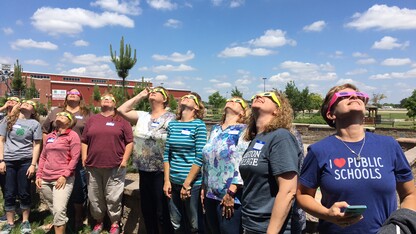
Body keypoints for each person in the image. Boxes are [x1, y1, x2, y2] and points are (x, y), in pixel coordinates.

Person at [296, 83, 416, 233]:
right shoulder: (319, 150)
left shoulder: (389, 146)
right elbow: (303, 195)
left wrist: (397, 227)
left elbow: (410, 194)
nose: (354, 97)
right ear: (331, 114)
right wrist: (327, 214)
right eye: (344, 96)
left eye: (359, 96)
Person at [239, 91, 303, 234]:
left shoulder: (281, 137)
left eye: (268, 95)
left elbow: (288, 191)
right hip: (251, 224)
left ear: (277, 110)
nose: (259, 96)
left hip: (270, 228)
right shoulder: (257, 139)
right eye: (256, 95)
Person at [117, 86, 175, 234]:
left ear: (165, 99)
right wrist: (141, 95)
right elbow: (121, 110)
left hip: (162, 170)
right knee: (147, 210)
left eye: (159, 91)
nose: (153, 92)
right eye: (152, 90)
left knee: (162, 212)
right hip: (144, 169)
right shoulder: (143, 116)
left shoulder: (172, 118)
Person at [81, 93, 133, 234]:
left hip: (115, 165)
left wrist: (125, 160)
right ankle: (99, 222)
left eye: (110, 99)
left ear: (115, 104)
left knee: (113, 196)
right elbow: (84, 140)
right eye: (104, 98)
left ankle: (115, 223)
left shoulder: (121, 120)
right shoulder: (92, 120)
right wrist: (84, 157)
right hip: (93, 165)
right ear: (100, 103)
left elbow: (129, 142)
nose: (106, 100)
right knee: (95, 196)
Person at [42, 88, 91, 231]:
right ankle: (59, 219)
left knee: (78, 189)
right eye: (70, 93)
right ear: (66, 96)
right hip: (55, 159)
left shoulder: (86, 114)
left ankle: (78, 218)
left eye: (76, 93)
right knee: (54, 191)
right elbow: (45, 131)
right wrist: (48, 148)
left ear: (80, 97)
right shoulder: (55, 112)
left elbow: (90, 136)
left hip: (76, 159)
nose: (73, 95)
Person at [201, 97, 249, 234]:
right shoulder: (215, 129)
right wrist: (204, 187)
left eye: (238, 101)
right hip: (211, 193)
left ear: (243, 112)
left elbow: (242, 160)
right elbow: (208, 159)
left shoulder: (244, 130)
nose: (231, 100)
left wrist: (231, 192)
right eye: (230, 99)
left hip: (230, 196)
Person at [163, 92, 207, 233]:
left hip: (191, 184)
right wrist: (166, 181)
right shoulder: (173, 125)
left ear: (196, 107)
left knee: (194, 224)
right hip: (173, 181)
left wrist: (187, 184)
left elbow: (200, 156)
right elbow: (166, 154)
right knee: (176, 221)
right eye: (184, 96)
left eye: (191, 98)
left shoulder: (198, 125)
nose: (186, 97)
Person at [0, 100, 42, 234]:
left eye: (30, 103)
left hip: (25, 161)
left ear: (34, 111)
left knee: (24, 192)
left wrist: (33, 164)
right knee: (9, 192)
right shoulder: (8, 120)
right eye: (25, 102)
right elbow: (1, 141)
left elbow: (36, 145)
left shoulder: (35, 124)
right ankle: (10, 223)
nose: (26, 103)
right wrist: (1, 160)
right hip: (9, 161)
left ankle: (25, 221)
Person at [36, 111, 80, 234]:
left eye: (64, 115)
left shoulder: (73, 135)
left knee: (59, 209)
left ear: (70, 121)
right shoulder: (50, 136)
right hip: (45, 178)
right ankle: (64, 226)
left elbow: (75, 157)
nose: (59, 115)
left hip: (62, 178)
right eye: (58, 114)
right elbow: (43, 156)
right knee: (54, 209)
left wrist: (65, 175)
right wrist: (39, 175)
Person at [0, 96, 21, 223]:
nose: (11, 101)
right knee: (4, 185)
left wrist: (14, 111)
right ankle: (8, 209)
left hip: (11, 156)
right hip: (1, 154)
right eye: (9, 99)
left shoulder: (21, 118)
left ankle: (14, 210)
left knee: (10, 185)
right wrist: (3, 108)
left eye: (14, 100)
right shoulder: (2, 116)